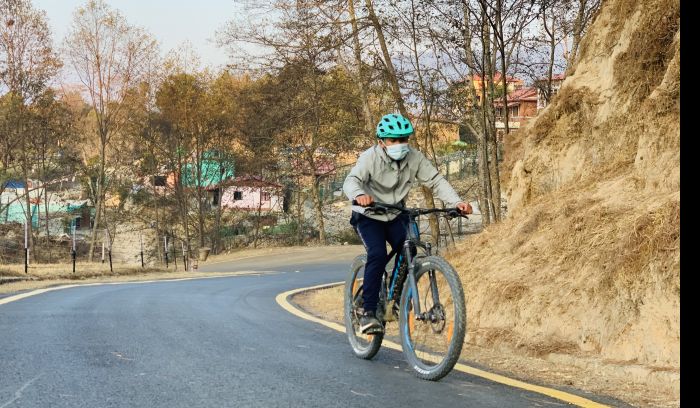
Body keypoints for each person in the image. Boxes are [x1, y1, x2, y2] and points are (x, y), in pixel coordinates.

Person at [343, 113, 472, 334]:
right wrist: (359, 195)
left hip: (395, 213)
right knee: (378, 254)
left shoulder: (414, 158)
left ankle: (392, 302)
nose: (399, 144)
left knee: (409, 249)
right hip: (368, 214)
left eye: (403, 139)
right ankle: (367, 311)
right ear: (381, 142)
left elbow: (435, 180)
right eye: (393, 140)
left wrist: (457, 202)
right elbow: (352, 180)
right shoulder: (369, 158)